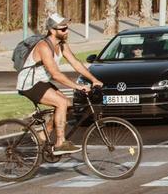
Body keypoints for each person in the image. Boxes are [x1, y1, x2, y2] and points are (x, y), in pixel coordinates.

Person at [16, 14, 103, 155]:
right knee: (61, 103)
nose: (66, 31)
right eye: (63, 29)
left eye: (67, 28)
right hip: (30, 83)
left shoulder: (62, 45)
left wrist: (94, 80)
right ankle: (60, 143)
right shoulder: (44, 47)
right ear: (52, 30)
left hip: (41, 81)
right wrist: (77, 86)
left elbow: (76, 63)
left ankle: (43, 135)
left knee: (67, 104)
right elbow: (56, 74)